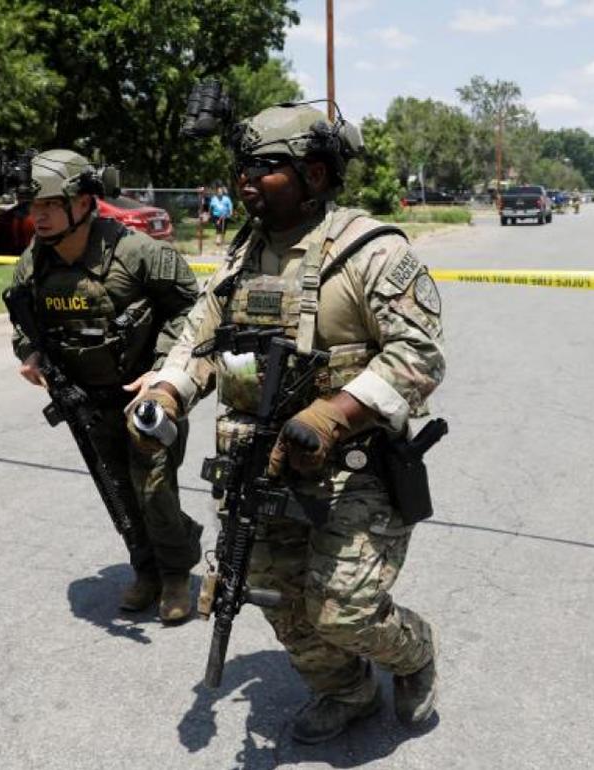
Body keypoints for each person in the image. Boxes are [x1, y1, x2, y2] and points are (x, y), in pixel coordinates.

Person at [127, 103, 447, 743]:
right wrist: (164, 392)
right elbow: (201, 340)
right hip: (260, 468)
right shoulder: (243, 254)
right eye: (242, 167)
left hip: (359, 472)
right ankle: (346, 690)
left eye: (266, 168)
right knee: (277, 599)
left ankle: (413, 654)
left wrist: (334, 414)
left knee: (342, 610)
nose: (246, 180)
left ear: (317, 174)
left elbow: (418, 355)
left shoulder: (371, 250)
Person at [8, 149, 204, 622]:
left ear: (84, 201)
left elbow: (190, 310)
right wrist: (29, 353)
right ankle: (147, 569)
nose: (40, 215)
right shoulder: (33, 265)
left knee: (154, 488)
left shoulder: (138, 252)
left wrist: (162, 369)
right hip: (84, 400)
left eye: (51, 204)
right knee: (116, 490)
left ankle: (176, 573)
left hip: (146, 396)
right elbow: (22, 321)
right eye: (34, 206)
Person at [208, 182, 233, 250]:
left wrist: (231, 212)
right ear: (217, 192)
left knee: (224, 228)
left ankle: (222, 240)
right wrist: (209, 214)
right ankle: (218, 240)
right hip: (216, 215)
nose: (220, 193)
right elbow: (211, 207)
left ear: (222, 192)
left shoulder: (226, 198)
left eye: (221, 192)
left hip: (225, 216)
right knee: (218, 227)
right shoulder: (214, 198)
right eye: (219, 192)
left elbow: (230, 205)